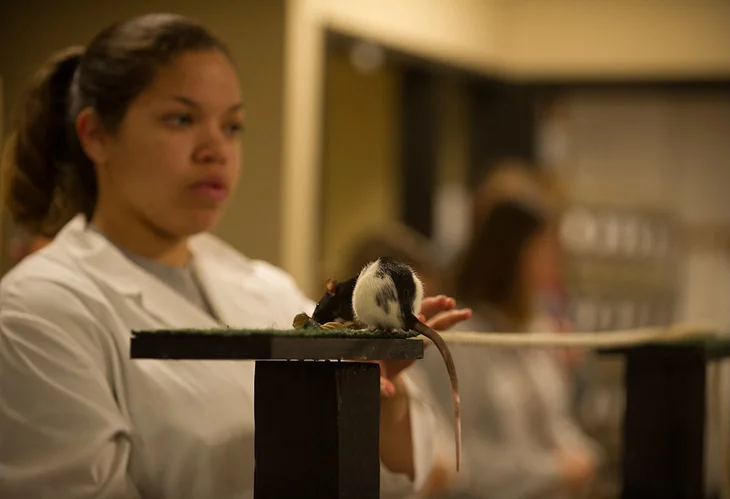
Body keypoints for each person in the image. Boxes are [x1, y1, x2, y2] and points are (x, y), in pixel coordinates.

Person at [0, 14, 470, 499]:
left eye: (232, 126)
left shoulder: (267, 287)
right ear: (96, 134)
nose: (216, 149)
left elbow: (397, 482)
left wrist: (372, 392)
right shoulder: (37, 311)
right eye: (180, 119)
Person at [411, 164, 600, 498]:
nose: (555, 263)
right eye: (543, 250)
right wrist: (553, 471)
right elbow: (460, 459)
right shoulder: (462, 337)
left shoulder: (537, 328)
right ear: (511, 256)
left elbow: (555, 422)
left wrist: (582, 454)